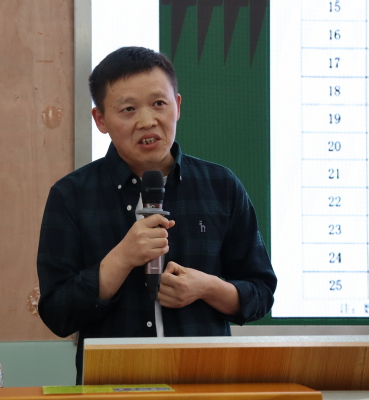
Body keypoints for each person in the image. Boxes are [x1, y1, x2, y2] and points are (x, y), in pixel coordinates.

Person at [37, 46, 276, 384]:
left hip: (204, 387)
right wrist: (120, 259)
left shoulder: (221, 186)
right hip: (112, 387)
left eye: (159, 104)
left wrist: (207, 287)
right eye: (128, 109)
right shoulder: (71, 195)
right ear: (100, 120)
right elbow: (57, 314)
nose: (147, 121)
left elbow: (261, 293)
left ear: (177, 106)